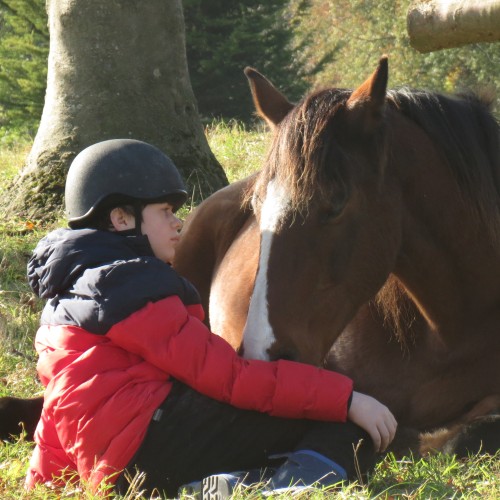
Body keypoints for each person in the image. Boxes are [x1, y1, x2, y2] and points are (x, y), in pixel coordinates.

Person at [25, 139, 397, 498]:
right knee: (348, 432)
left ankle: (226, 484)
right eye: (165, 212)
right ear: (122, 218)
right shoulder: (134, 288)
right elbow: (228, 378)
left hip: (118, 479)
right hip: (155, 446)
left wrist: (40, 486)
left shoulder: (61, 306)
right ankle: (284, 491)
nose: (178, 223)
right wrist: (346, 399)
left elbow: (57, 410)